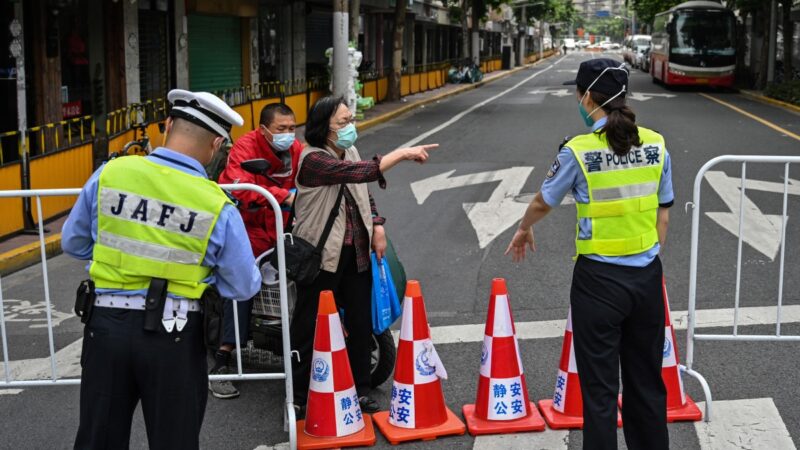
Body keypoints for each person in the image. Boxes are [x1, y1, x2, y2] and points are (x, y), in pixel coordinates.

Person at [63, 89, 261, 450]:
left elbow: (73, 244)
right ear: (216, 144)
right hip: (175, 336)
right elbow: (243, 285)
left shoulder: (111, 174)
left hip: (105, 330)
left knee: (98, 438)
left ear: (168, 125)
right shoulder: (216, 203)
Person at [505, 59, 672, 450]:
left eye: (577, 94)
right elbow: (664, 214)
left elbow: (544, 202)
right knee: (647, 382)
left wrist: (523, 227)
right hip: (646, 277)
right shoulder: (656, 144)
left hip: (598, 282)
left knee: (598, 391)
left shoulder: (578, 151)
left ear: (586, 98)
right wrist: (646, 258)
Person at [291, 96, 437, 417]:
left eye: (350, 120)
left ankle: (359, 391)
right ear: (323, 129)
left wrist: (377, 224)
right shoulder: (313, 160)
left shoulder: (350, 150)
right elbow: (357, 173)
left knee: (360, 324)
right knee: (308, 326)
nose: (350, 128)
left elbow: (363, 192)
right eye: (342, 123)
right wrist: (402, 154)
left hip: (355, 252)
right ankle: (299, 396)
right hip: (322, 256)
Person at [209, 103, 303, 399]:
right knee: (241, 282)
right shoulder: (246, 147)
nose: (289, 134)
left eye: (292, 128)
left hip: (286, 228)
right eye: (281, 129)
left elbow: (308, 179)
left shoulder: (297, 149)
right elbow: (236, 184)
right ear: (264, 129)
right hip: (249, 230)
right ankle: (223, 360)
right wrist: (282, 196)